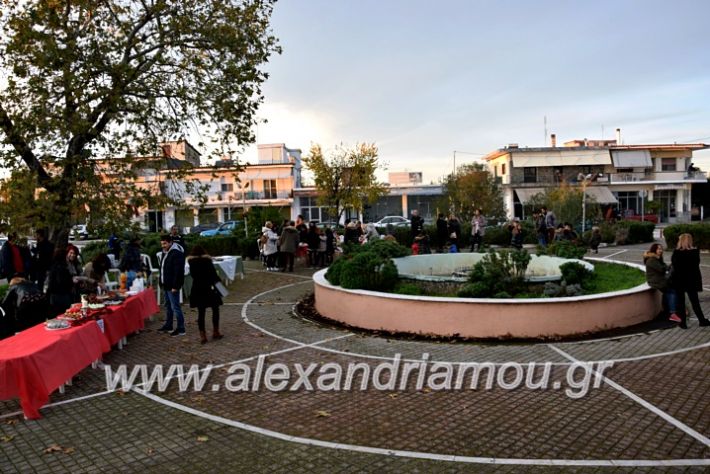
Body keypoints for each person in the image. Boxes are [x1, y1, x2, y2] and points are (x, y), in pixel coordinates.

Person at [670, 233, 710, 329]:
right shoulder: (695, 252)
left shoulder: (676, 252)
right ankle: (702, 320)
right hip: (691, 281)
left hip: (679, 281)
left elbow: (674, 266)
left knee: (681, 302)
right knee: (695, 301)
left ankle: (683, 323)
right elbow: (696, 266)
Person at [187, 245, 224, 344]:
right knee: (215, 309)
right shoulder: (207, 261)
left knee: (201, 312)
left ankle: (203, 336)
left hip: (197, 288)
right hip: (209, 288)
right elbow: (214, 275)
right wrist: (222, 290)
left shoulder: (191, 262)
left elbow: (193, 275)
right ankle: (216, 331)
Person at [1, 274, 48, 338]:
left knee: (25, 328)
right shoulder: (32, 284)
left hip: (25, 308)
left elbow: (5, 301)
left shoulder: (14, 286)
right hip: (40, 307)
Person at [158, 234, 187, 336]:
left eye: (165, 243)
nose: (163, 246)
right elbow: (162, 268)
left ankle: (181, 328)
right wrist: (161, 282)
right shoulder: (165, 252)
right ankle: (169, 325)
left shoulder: (176, 253)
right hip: (165, 284)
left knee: (175, 307)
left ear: (170, 242)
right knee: (168, 306)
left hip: (172, 285)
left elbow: (178, 272)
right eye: (162, 244)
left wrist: (175, 286)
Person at [643, 243, 678, 322]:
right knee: (671, 291)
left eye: (661, 249)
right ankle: (672, 313)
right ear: (654, 250)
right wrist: (671, 266)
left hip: (660, 280)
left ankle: (668, 309)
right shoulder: (651, 260)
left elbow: (665, 267)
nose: (661, 250)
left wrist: (672, 265)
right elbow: (662, 269)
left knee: (670, 290)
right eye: (659, 249)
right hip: (655, 281)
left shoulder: (657, 258)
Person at [47, 248, 75, 315]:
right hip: (62, 295)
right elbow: (62, 281)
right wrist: (71, 281)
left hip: (54, 295)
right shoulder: (62, 268)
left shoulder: (53, 266)